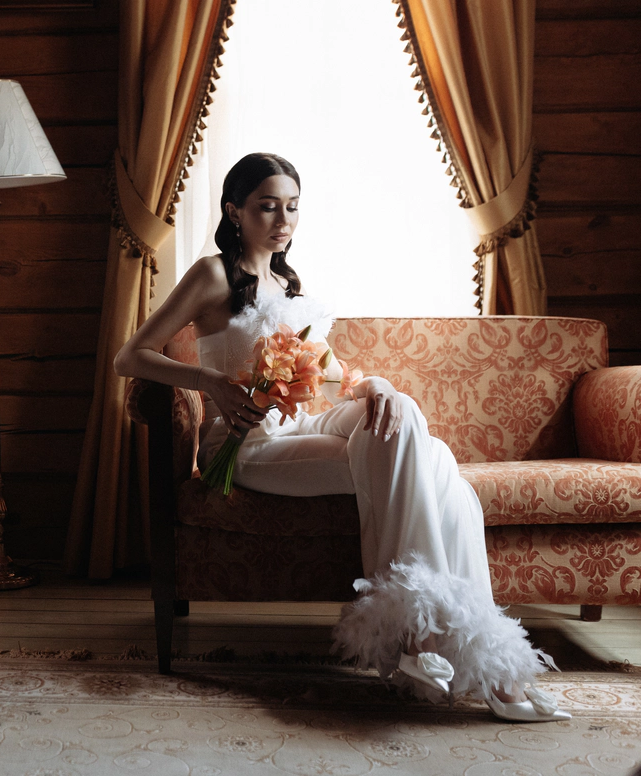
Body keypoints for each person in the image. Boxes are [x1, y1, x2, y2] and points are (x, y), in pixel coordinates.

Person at [113, 152, 569, 722]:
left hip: (300, 426)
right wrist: (211, 384)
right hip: (248, 444)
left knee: (406, 421)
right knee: (436, 468)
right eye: (267, 206)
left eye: (292, 207)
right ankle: (492, 672)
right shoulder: (212, 275)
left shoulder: (286, 282)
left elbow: (328, 374)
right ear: (234, 211)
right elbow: (130, 356)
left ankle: (426, 641)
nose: (283, 220)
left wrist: (375, 385)